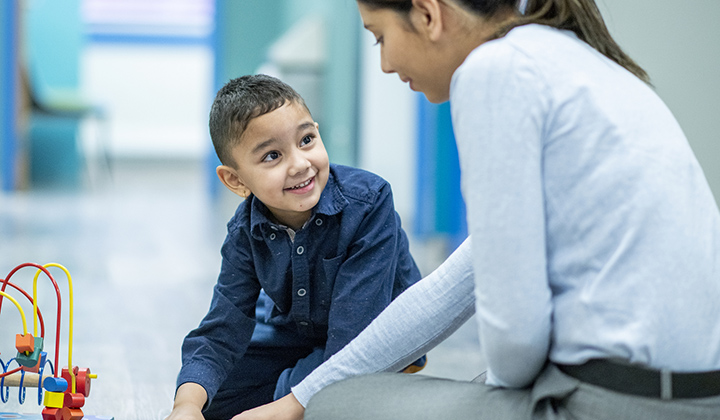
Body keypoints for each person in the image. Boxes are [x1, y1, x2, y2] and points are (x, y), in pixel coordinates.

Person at [234, 0, 720, 419]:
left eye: (379, 37)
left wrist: (310, 403)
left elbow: (516, 348)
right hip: (701, 399)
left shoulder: (495, 71)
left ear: (427, 14)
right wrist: (298, 397)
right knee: (337, 394)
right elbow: (446, 292)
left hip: (611, 405)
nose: (384, 63)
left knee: (339, 406)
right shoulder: (583, 62)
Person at [165, 74, 423, 420]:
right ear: (236, 180)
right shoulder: (245, 230)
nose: (300, 163)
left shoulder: (369, 203)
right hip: (299, 333)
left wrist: (285, 404)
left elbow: (354, 339)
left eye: (306, 139)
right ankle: (291, 384)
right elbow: (222, 328)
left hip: (368, 339)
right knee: (216, 393)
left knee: (310, 395)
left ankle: (340, 387)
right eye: (272, 155)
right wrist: (186, 406)